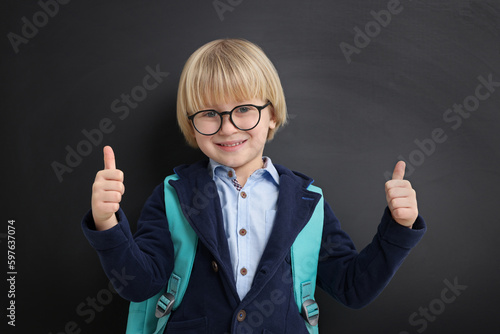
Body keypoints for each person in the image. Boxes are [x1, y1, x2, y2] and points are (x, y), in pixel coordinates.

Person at [82, 38, 426, 333]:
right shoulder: (173, 194)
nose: (227, 128)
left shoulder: (309, 201)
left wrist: (399, 229)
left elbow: (353, 288)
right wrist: (107, 223)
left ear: (272, 114)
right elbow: (141, 284)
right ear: (191, 122)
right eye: (208, 113)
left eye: (244, 109)